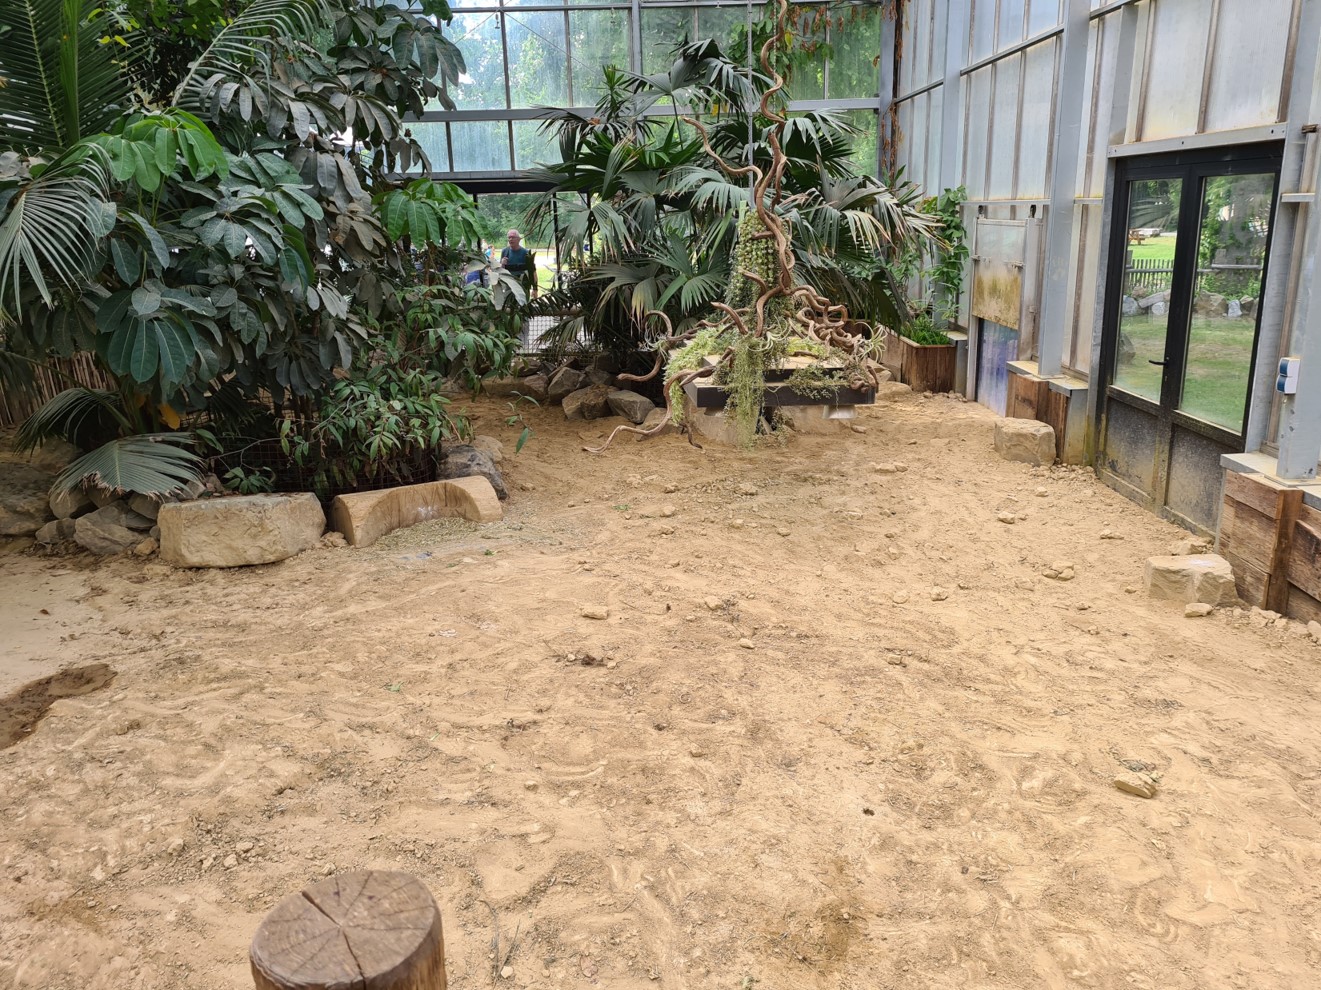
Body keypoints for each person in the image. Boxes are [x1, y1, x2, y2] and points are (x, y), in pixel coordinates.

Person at [499, 229, 537, 299]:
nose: (510, 239)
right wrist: (502, 263)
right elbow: (499, 271)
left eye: (513, 237)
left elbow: (533, 272)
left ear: (519, 239)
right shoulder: (505, 251)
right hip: (509, 285)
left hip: (523, 285)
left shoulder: (526, 253)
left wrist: (535, 289)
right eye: (509, 237)